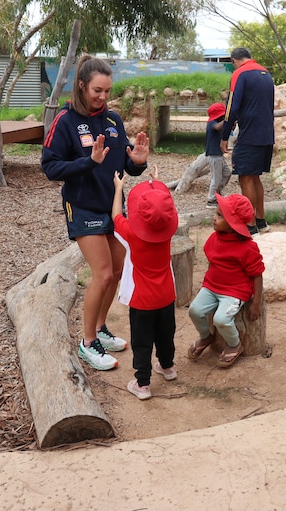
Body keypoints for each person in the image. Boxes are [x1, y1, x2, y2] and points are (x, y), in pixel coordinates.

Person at [41, 54, 149, 371]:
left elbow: (124, 163)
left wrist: (137, 162)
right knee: (102, 274)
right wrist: (89, 161)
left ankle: (100, 327)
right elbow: (49, 167)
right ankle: (87, 343)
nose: (103, 97)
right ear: (82, 85)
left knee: (116, 271)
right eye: (97, 90)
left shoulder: (113, 120)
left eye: (107, 90)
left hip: (114, 206)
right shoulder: (66, 121)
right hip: (84, 206)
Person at [111, 169, 179, 400]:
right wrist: (158, 185)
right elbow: (165, 210)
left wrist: (119, 188)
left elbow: (116, 216)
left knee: (142, 341)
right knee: (165, 333)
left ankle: (142, 384)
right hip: (166, 295)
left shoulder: (132, 233)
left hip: (142, 299)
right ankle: (168, 367)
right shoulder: (168, 230)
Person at [187, 193, 264, 368]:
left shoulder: (247, 247)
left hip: (234, 291)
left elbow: (257, 274)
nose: (214, 218)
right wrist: (205, 286)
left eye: (220, 216)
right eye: (216, 213)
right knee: (194, 310)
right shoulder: (214, 238)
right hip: (212, 287)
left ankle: (235, 344)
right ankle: (206, 336)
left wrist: (256, 303)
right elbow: (212, 263)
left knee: (221, 319)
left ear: (234, 224)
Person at [221, 47, 275, 236]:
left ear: (234, 60)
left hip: (249, 135)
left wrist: (224, 136)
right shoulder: (266, 73)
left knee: (245, 178)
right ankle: (261, 221)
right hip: (267, 133)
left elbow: (231, 108)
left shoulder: (240, 73)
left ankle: (250, 225)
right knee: (255, 176)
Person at [204, 102, 232, 209]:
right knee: (216, 178)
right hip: (214, 155)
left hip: (219, 155)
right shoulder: (212, 123)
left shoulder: (217, 123)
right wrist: (227, 120)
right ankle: (211, 200)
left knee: (227, 173)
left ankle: (217, 192)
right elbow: (217, 127)